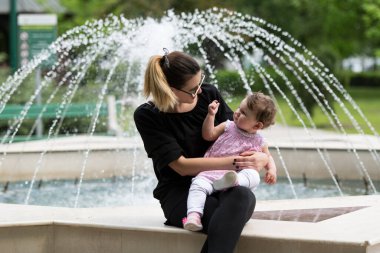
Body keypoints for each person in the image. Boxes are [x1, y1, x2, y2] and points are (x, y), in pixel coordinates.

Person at [134, 48, 269, 253]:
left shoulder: (209, 95)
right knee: (227, 214)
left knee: (243, 197)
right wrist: (240, 162)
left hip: (221, 181)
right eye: (192, 89)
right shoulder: (148, 115)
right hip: (179, 193)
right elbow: (181, 167)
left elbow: (242, 132)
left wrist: (263, 157)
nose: (199, 91)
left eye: (200, 82)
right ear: (169, 89)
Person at [183, 93, 277, 232]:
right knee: (198, 185)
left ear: (257, 125)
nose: (237, 112)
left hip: (237, 175)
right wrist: (210, 116)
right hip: (212, 171)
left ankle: (234, 180)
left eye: (244, 112)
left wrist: (272, 170)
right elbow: (208, 135)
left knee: (254, 176)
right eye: (239, 107)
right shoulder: (228, 126)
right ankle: (193, 216)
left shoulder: (260, 141)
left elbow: (268, 157)